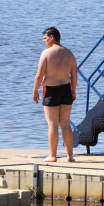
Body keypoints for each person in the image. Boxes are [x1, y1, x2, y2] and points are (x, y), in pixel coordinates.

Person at [33, 27, 78, 163]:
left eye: (45, 38)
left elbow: (39, 75)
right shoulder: (69, 54)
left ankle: (53, 155)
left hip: (51, 90)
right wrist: (73, 90)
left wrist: (35, 91)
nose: (44, 41)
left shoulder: (46, 53)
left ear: (52, 37)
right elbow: (74, 75)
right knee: (65, 123)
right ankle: (70, 156)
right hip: (65, 90)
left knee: (52, 124)